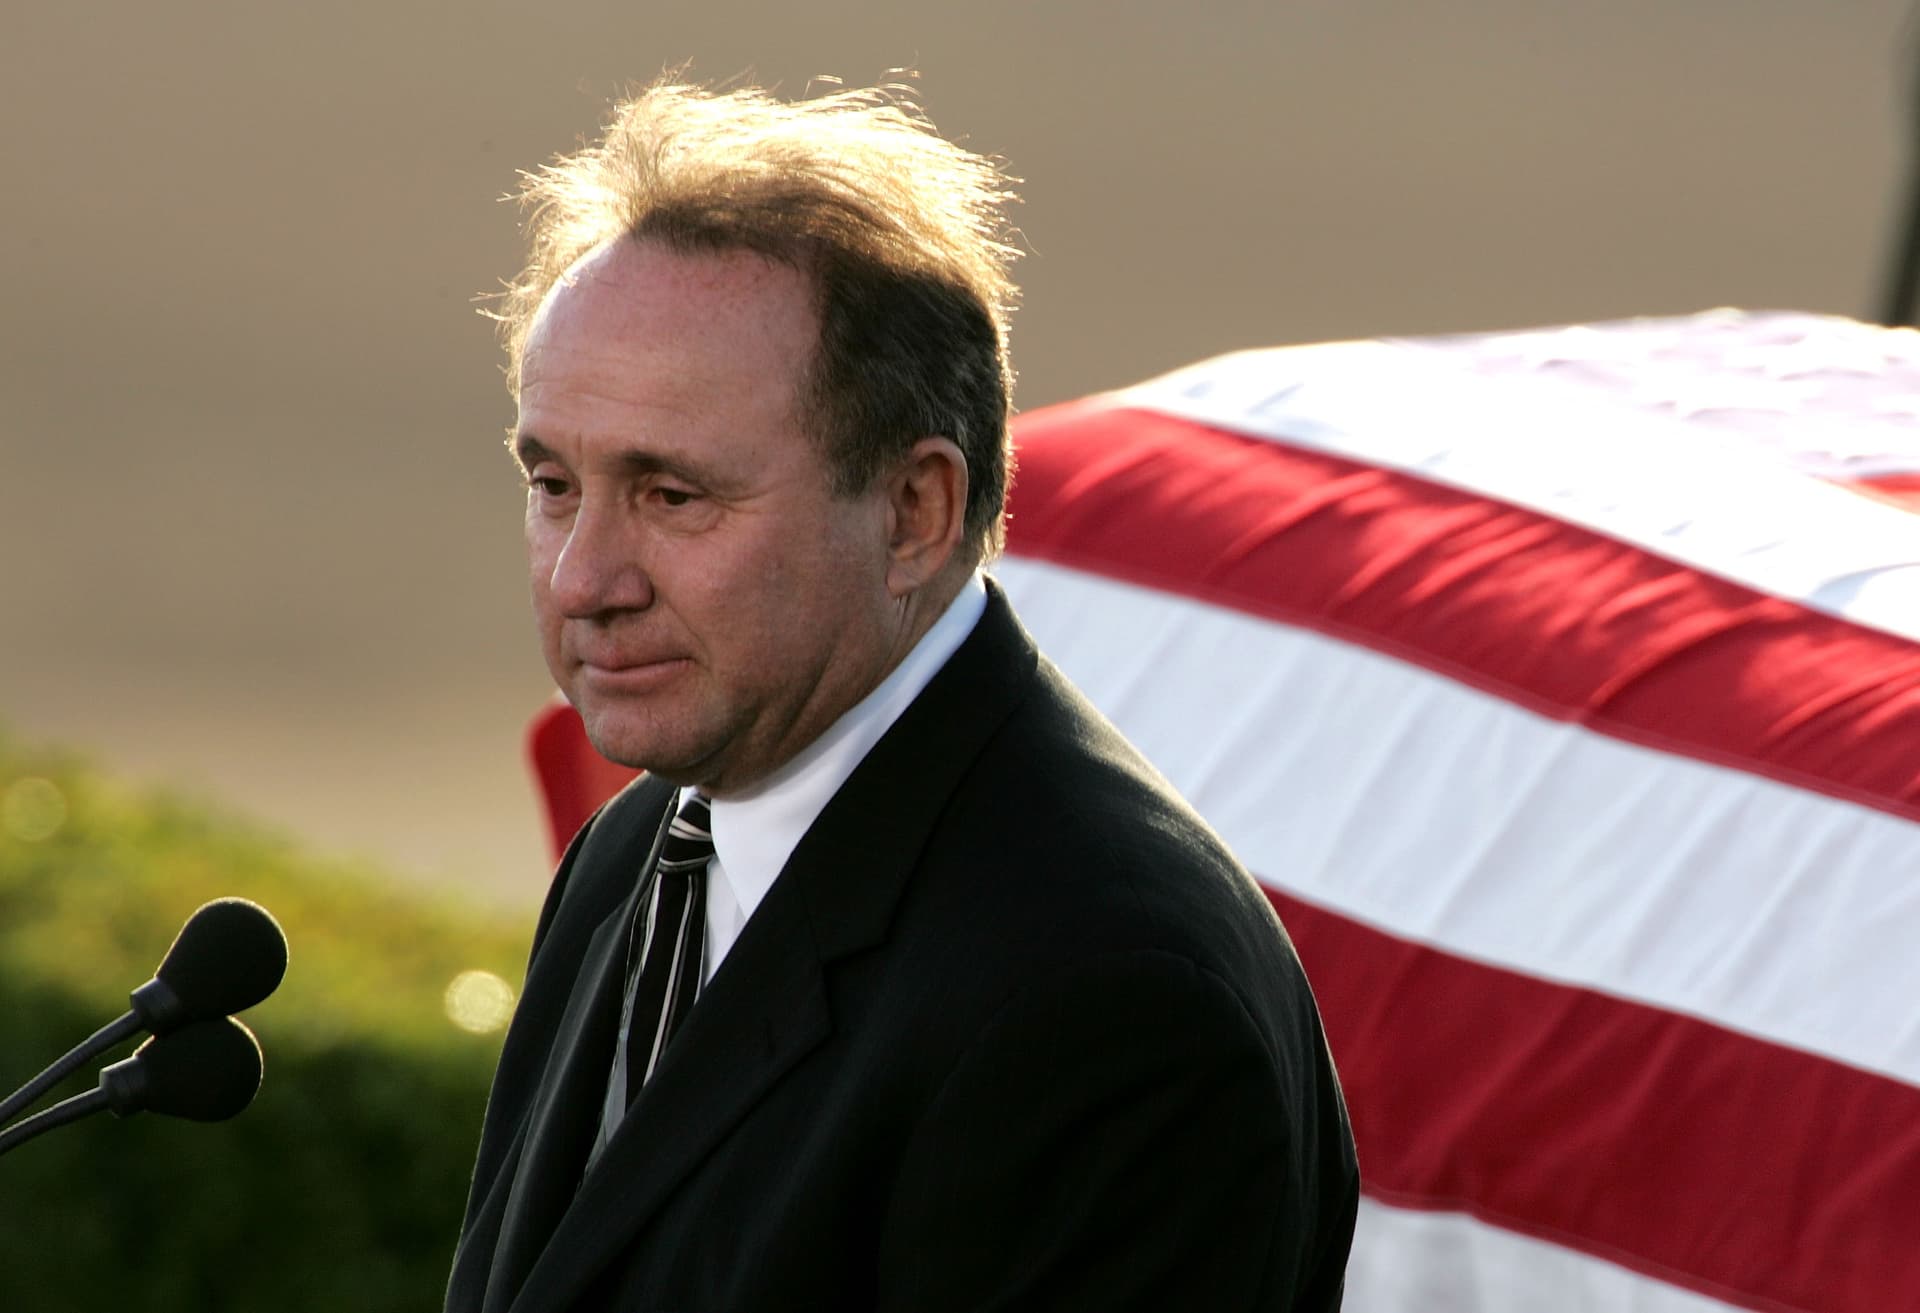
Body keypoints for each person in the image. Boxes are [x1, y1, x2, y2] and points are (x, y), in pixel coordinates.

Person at [446, 74, 1358, 1313]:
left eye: (672, 494)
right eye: (555, 483)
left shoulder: (1108, 1002)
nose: (585, 576)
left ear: (916, 511)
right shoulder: (641, 847)